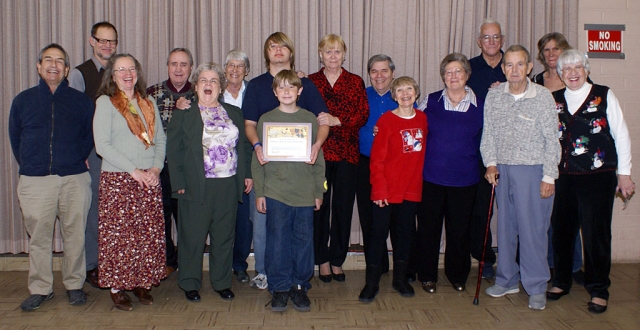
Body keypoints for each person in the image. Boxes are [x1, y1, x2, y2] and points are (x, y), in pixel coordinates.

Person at [546, 50, 634, 314]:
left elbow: (621, 135)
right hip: (564, 178)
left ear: (586, 69)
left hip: (598, 178)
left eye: (577, 68)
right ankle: (561, 281)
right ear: (560, 74)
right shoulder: (554, 100)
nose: (572, 73)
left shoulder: (604, 94)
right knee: (561, 233)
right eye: (567, 69)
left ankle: (598, 289)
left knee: (596, 235)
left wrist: (624, 173)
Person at [9, 43, 94, 311]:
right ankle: (41, 288)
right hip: (35, 181)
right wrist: (32, 164)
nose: (53, 65)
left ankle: (74, 285)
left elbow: (88, 138)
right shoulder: (23, 100)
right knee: (39, 238)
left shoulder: (81, 101)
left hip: (74, 179)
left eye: (59, 61)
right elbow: (16, 137)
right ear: (39, 66)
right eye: (48, 60)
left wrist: (71, 160)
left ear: (67, 69)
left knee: (75, 235)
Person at [242, 32, 329, 290]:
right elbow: (249, 125)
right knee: (267, 228)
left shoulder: (305, 83)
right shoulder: (257, 85)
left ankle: (297, 280)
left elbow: (321, 122)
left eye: (283, 46)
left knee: (300, 233)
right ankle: (268, 274)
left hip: (301, 177)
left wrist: (316, 144)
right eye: (272, 46)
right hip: (270, 171)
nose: (278, 50)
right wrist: (257, 145)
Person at [480, 45, 560, 311]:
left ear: (529, 68)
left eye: (519, 65)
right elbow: (488, 133)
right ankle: (507, 279)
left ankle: (536, 285)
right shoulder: (494, 95)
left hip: (533, 170)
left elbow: (553, 140)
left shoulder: (543, 96)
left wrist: (549, 175)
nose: (514, 70)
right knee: (505, 228)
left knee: (533, 230)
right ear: (503, 69)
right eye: (509, 65)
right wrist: (490, 163)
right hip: (503, 170)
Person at [167, 62, 251, 303]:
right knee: (192, 237)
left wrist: (247, 174)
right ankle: (190, 283)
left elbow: (243, 146)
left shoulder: (233, 113)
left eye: (214, 81)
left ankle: (222, 282)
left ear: (221, 87)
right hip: (195, 185)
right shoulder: (184, 113)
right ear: (195, 86)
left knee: (224, 237)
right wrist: (178, 182)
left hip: (228, 184)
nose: (208, 84)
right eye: (203, 80)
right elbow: (173, 150)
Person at [93, 53, 167, 311]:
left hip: (148, 179)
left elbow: (160, 141)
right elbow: (102, 145)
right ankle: (117, 287)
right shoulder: (106, 103)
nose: (127, 73)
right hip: (119, 180)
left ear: (138, 72)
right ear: (112, 75)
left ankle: (140, 282)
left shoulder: (148, 102)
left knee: (145, 236)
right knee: (120, 237)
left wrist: (156, 169)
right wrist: (133, 171)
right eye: (121, 69)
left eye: (131, 68)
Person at [252, 70, 326, 312]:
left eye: (291, 87)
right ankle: (280, 287)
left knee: (304, 242)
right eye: (281, 88)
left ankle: (299, 285)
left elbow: (319, 159)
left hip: (304, 193)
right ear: (274, 92)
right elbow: (258, 159)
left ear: (299, 91)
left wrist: (318, 191)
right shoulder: (265, 120)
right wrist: (260, 192)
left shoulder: (309, 119)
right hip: (276, 192)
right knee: (277, 242)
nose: (286, 92)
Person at [415, 53, 483, 294]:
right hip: (432, 177)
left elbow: (489, 140)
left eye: (458, 72)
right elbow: (411, 124)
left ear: (466, 75)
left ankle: (457, 275)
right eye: (448, 72)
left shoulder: (480, 104)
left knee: (460, 231)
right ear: (443, 77)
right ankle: (427, 276)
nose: (453, 76)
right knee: (428, 229)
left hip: (465, 179)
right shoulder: (430, 101)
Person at [359, 76, 427, 303]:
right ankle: (371, 283)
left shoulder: (424, 120)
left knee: (405, 236)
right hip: (385, 192)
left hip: (410, 190)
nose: (405, 93)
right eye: (400, 90)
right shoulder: (386, 121)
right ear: (394, 95)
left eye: (409, 89)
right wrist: (379, 190)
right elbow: (376, 160)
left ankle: (400, 279)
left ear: (416, 94)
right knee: (377, 236)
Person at [308, 34, 369, 283]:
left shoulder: (355, 81)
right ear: (320, 55)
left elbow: (363, 114)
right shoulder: (310, 81)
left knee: (343, 208)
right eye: (328, 52)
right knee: (319, 208)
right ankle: (321, 259)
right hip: (318, 154)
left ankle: (337, 260)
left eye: (337, 52)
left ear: (344, 54)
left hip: (347, 155)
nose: (333, 56)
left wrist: (337, 120)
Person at [68, 21, 118, 289]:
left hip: (119, 155)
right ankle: (91, 265)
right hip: (92, 155)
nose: (107, 45)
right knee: (93, 211)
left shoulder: (121, 73)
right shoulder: (79, 74)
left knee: (114, 211)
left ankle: (112, 263)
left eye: (112, 41)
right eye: (102, 40)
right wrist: (81, 153)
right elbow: (73, 119)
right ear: (92, 41)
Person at [531, 33, 585, 284]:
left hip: (571, 159)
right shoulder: (536, 81)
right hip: (542, 156)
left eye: (556, 49)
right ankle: (551, 264)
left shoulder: (577, 80)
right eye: (547, 50)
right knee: (547, 215)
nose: (552, 54)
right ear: (542, 56)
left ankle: (573, 267)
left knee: (569, 214)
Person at [147, 48, 195, 278]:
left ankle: (187, 260)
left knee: (186, 216)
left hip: (189, 169)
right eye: (174, 64)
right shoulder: (151, 94)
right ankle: (167, 259)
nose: (178, 69)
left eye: (183, 64)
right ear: (167, 66)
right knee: (161, 215)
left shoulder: (200, 92)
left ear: (191, 68)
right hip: (159, 166)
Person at [466, 18, 507, 279]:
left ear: (501, 40)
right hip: (480, 149)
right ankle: (485, 260)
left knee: (512, 209)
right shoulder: (469, 68)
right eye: (486, 38)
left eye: (495, 37)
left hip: (514, 150)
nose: (491, 42)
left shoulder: (514, 66)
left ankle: (515, 261)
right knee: (482, 209)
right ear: (479, 42)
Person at [356, 54, 397, 275]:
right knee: (368, 217)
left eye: (384, 71)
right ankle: (376, 265)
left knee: (395, 218)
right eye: (374, 71)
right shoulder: (361, 96)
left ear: (392, 73)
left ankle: (403, 267)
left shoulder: (403, 95)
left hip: (395, 166)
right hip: (365, 164)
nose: (379, 76)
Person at [223, 49, 254, 284]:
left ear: (247, 71)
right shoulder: (213, 92)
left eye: (240, 66)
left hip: (246, 162)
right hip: (218, 166)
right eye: (231, 66)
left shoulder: (253, 92)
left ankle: (239, 264)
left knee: (244, 220)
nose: (235, 70)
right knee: (222, 218)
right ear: (225, 69)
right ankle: (221, 264)